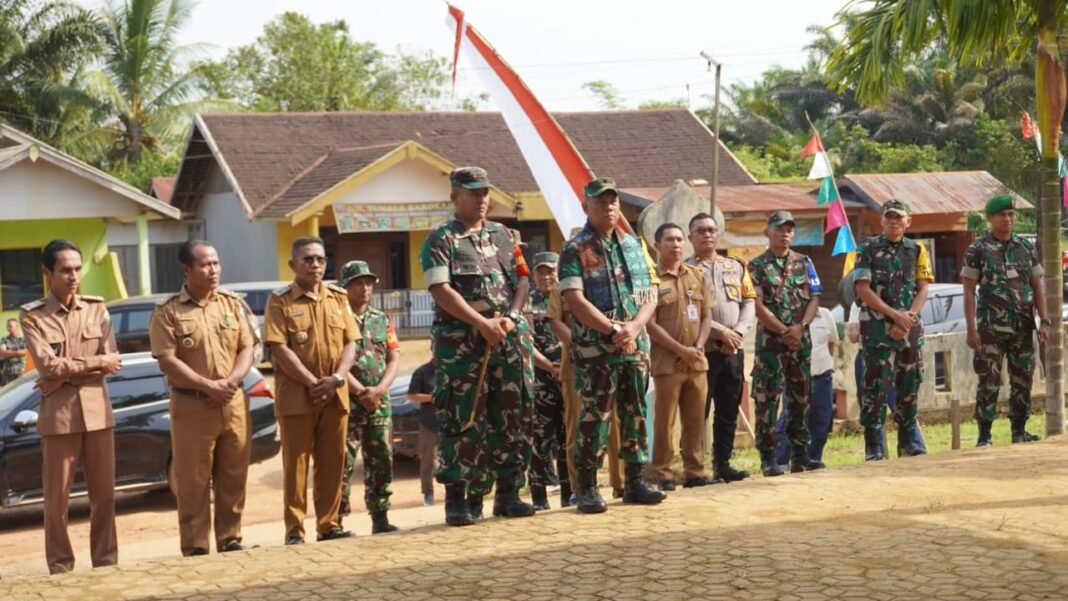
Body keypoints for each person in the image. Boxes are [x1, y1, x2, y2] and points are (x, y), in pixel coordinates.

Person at [419, 166, 535, 526]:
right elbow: (441, 290)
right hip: (461, 346)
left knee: (512, 416)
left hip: (508, 340)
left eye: (485, 192)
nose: (482, 199)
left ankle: (508, 493)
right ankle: (460, 498)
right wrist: (482, 323)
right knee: (462, 419)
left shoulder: (505, 235)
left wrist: (511, 318)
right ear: (455, 197)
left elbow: (522, 281)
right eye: (473, 193)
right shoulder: (440, 240)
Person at [558, 177, 665, 513]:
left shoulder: (635, 245)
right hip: (596, 351)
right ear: (586, 206)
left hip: (633, 347)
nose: (609, 207)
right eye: (601, 202)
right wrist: (612, 328)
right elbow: (573, 299)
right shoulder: (574, 249)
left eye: (613, 201)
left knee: (636, 413)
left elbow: (649, 295)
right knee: (594, 418)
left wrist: (633, 328)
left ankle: (636, 481)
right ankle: (587, 487)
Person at [149, 240, 257, 556]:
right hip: (192, 404)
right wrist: (207, 385)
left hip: (232, 401)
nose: (213, 270)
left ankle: (231, 538)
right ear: (186, 269)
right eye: (205, 265)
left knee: (234, 473)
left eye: (216, 263)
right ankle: (195, 544)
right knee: (194, 480)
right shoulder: (168, 312)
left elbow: (247, 347)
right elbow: (167, 359)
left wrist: (233, 380)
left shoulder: (232, 304)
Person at [21, 239, 121, 574]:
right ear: (48, 273)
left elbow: (114, 359)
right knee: (57, 502)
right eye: (65, 270)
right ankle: (61, 567)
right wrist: (93, 363)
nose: (74, 276)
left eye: (78, 269)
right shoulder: (33, 316)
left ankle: (106, 563)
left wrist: (63, 370)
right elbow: (47, 367)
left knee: (105, 497)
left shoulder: (97, 308)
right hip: (60, 417)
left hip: (98, 413)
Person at [264, 236, 358, 545]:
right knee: (296, 467)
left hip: (335, 395)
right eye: (307, 259)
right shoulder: (280, 301)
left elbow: (350, 343)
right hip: (297, 398)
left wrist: (337, 379)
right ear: (293, 264)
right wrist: (312, 383)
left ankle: (329, 525)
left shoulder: (338, 298)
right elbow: (278, 348)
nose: (314, 264)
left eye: (319, 259)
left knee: (333, 463)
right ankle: (295, 530)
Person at [962, 194, 1048, 446]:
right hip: (990, 328)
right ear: (990, 218)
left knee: (1023, 378)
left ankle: (1019, 431)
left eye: (1011, 214)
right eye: (1002, 215)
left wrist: (1044, 320)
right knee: (988, 380)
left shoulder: (1025, 247)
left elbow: (1037, 286)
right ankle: (984, 435)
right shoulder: (977, 249)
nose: (1008, 219)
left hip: (1022, 325)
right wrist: (970, 329)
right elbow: (968, 291)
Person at [854, 199, 932, 460]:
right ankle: (874, 446)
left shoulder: (917, 249)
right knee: (875, 385)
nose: (893, 222)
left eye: (899, 218)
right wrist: (894, 317)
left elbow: (922, 287)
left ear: (908, 222)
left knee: (909, 382)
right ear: (882, 220)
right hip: (877, 326)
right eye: (889, 217)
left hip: (908, 327)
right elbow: (862, 288)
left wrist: (907, 317)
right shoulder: (867, 247)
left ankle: (909, 442)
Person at [748, 211, 824, 477]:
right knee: (767, 398)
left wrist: (800, 327)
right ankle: (768, 457)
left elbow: (815, 297)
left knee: (801, 396)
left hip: (800, 340)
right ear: (767, 231)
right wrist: (783, 330)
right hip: (771, 343)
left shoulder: (805, 262)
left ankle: (800, 455)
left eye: (790, 229)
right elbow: (757, 306)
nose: (785, 233)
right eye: (779, 229)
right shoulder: (756, 266)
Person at [548, 270, 627, 506]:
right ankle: (578, 487)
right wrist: (583, 343)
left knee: (615, 424)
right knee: (577, 425)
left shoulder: (611, 279)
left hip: (610, 360)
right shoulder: (561, 286)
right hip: (575, 365)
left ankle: (621, 483)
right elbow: (555, 321)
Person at [686, 213, 755, 483]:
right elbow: (689, 311)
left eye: (712, 230)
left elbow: (749, 301)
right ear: (691, 237)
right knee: (698, 411)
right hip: (704, 351)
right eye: (700, 230)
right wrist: (721, 333)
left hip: (734, 350)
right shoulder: (685, 270)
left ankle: (723, 463)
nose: (707, 235)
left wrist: (737, 332)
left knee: (728, 410)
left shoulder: (735, 266)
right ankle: (694, 467)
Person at [647, 223, 715, 490]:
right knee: (665, 421)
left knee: (696, 419)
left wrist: (697, 347)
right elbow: (648, 323)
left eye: (678, 239)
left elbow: (707, 315)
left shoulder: (697, 276)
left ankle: (695, 470)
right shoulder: (649, 278)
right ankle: (662, 472)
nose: (675, 244)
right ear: (656, 246)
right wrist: (680, 350)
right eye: (668, 240)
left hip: (697, 361)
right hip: (667, 363)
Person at [337, 260, 402, 534]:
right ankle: (335, 521)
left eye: (368, 282)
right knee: (342, 461)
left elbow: (394, 357)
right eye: (357, 282)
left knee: (381, 459)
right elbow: (333, 360)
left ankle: (380, 516)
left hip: (378, 402)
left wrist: (378, 390)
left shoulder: (381, 318)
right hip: (348, 401)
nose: (364, 288)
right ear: (346, 287)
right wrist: (359, 391)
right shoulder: (336, 317)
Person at [527, 251, 568, 510]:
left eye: (551, 270)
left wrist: (564, 366)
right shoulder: (527, 303)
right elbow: (525, 342)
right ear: (534, 275)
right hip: (541, 380)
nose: (547, 276)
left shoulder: (569, 298)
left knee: (568, 437)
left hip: (568, 376)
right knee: (540, 439)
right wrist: (549, 366)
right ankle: (539, 496)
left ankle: (570, 492)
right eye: (541, 271)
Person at [774, 306, 838, 465]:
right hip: (796, 378)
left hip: (823, 377)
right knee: (789, 419)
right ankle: (780, 463)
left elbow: (831, 342)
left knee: (821, 420)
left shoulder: (825, 314)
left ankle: (812, 460)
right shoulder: (788, 315)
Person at [408, 360, 438, 506]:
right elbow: (411, 396)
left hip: (451, 421)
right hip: (430, 423)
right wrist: (432, 398)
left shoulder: (452, 368)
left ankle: (455, 493)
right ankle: (428, 493)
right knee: (429, 460)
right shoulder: (422, 372)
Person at [0, 318, 27, 386]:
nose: (8, 328)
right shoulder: (4, 339)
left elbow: (26, 352)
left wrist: (9, 352)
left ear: (16, 326)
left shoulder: (23, 339)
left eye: (10, 326)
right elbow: (3, 353)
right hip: (8, 373)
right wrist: (18, 353)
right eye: (7, 326)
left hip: (21, 371)